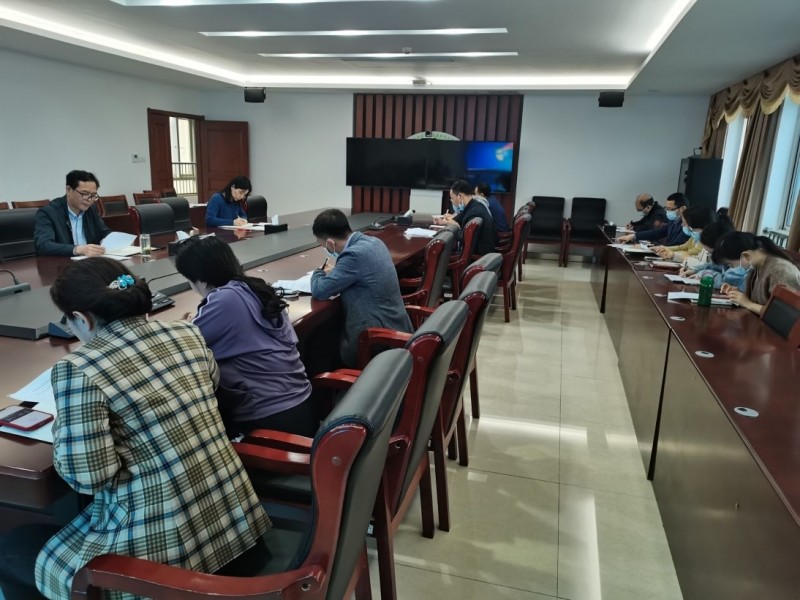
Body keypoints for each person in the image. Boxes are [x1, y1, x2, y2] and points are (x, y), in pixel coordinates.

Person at [0, 258, 269, 600]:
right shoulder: (187, 333)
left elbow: (89, 477)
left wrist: (65, 424)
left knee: (11, 550)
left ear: (82, 319)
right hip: (236, 529)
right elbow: (210, 383)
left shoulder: (79, 368)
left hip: (168, 559)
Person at [175, 235, 316, 438]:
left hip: (269, 423)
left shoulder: (225, 300)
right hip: (301, 408)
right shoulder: (254, 288)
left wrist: (188, 323)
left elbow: (180, 345)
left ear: (200, 279)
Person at [310, 209, 412, 367]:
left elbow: (320, 290)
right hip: (396, 328)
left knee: (317, 343)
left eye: (323, 245)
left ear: (330, 243)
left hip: (377, 342)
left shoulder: (353, 256)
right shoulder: (374, 242)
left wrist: (319, 272)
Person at [714, 232, 800, 315]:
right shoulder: (756, 267)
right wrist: (737, 294)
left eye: (731, 264)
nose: (732, 268)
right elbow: (756, 301)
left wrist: (748, 303)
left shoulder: (781, 271)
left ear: (746, 256)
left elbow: (785, 315)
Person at [34, 170, 111, 257]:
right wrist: (78, 249)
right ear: (69, 190)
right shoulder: (48, 213)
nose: (89, 199)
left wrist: (109, 240)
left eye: (93, 195)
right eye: (84, 194)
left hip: (90, 261)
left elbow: (104, 232)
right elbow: (44, 245)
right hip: (63, 262)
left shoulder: (91, 210)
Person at [679, 209, 745, 290]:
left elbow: (725, 282)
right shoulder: (723, 257)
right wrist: (695, 270)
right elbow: (712, 265)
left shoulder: (736, 263)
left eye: (710, 252)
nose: (710, 255)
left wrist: (703, 274)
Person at [436, 179, 496, 255]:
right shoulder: (474, 205)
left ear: (460, 196)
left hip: (478, 256)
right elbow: (458, 219)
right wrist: (444, 222)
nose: (452, 201)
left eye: (452, 198)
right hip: (480, 252)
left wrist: (454, 226)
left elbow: (464, 238)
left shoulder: (474, 212)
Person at [618, 193, 690, 246]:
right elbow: (658, 232)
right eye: (666, 208)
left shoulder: (688, 224)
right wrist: (634, 236)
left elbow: (677, 244)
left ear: (682, 209)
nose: (667, 211)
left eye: (670, 209)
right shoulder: (673, 221)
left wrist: (651, 246)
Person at [652, 205, 717, 263]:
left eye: (684, 223)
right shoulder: (695, 235)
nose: (682, 225)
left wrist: (672, 254)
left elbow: (693, 253)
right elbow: (683, 247)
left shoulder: (707, 240)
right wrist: (664, 248)